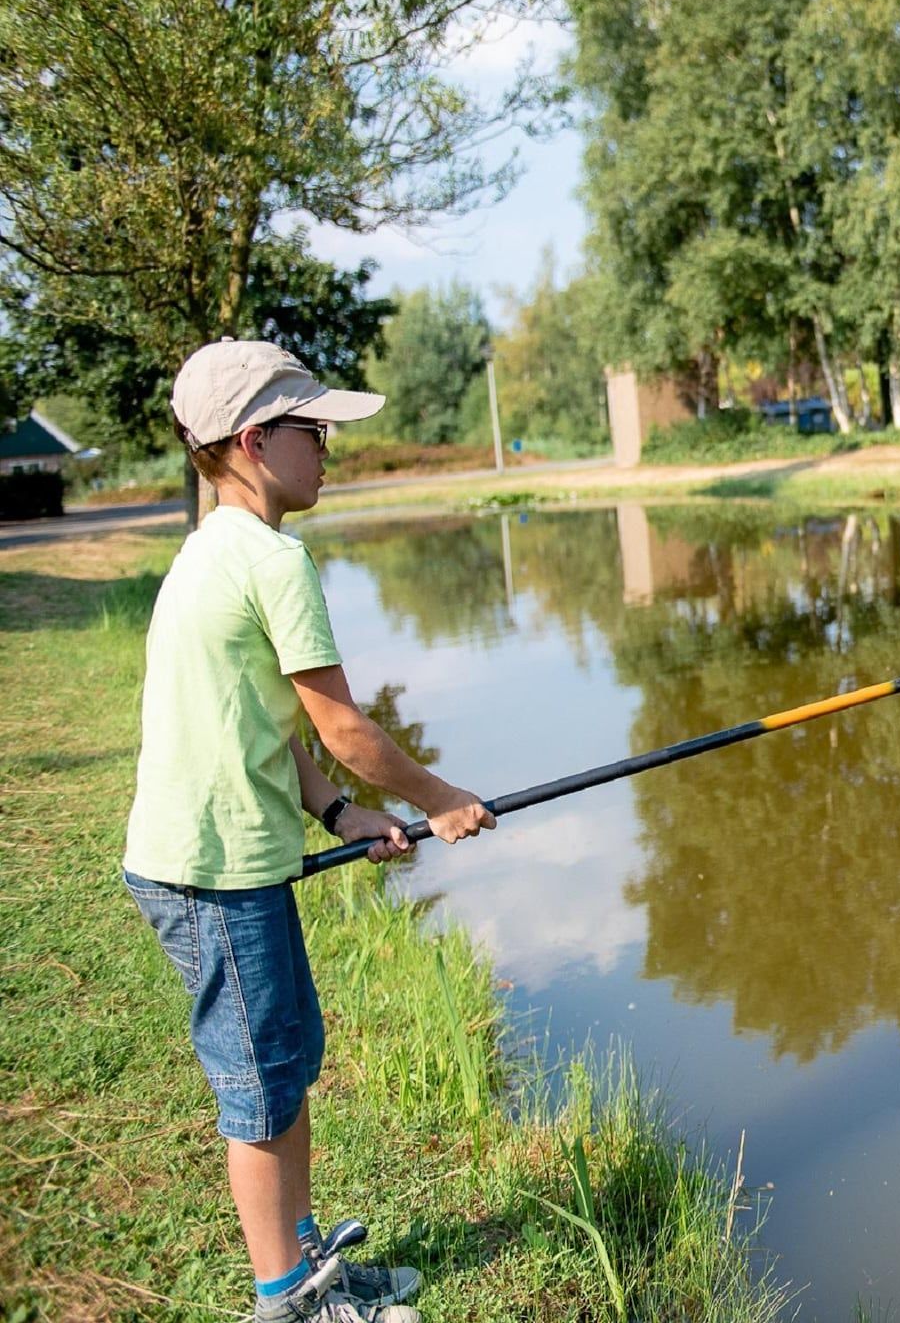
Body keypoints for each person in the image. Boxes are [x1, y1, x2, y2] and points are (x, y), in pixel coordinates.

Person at [122, 339, 494, 1323]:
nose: (329, 448)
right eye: (312, 429)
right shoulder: (272, 558)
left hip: (215, 858)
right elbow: (341, 726)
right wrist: (439, 797)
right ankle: (285, 1301)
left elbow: (269, 730)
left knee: (281, 1058)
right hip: (212, 869)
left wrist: (337, 810)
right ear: (252, 441)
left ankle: (302, 1264)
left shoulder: (211, 551)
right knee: (263, 1084)